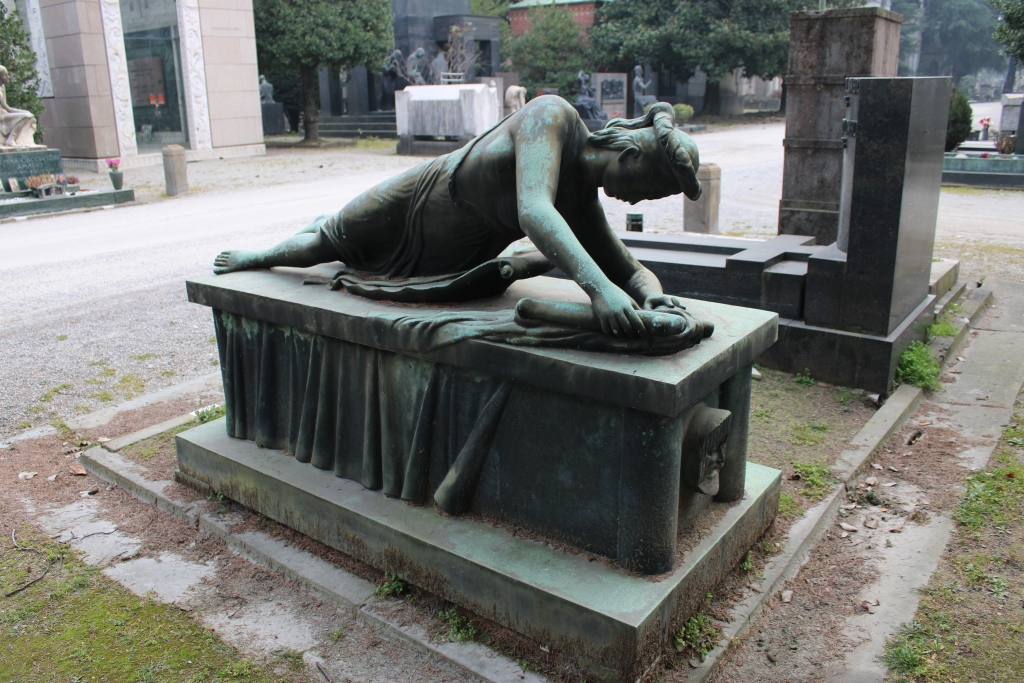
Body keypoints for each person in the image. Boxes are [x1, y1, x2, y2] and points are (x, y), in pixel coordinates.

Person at [214, 98, 701, 339]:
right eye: (650, 190)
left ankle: (322, 232)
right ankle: (257, 255)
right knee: (328, 241)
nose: (638, 203)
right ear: (633, 152)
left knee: (349, 252)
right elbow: (534, 209)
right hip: (420, 199)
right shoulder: (552, 118)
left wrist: (650, 291)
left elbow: (627, 267)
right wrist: (599, 290)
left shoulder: (581, 198)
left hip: (457, 253)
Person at [0, 66, 39, 148]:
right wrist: (24, 113)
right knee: (26, 116)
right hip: (2, 116)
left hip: (4, 113)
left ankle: (22, 140)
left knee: (29, 116)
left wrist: (25, 112)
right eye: (6, 75)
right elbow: (7, 108)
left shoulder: (2, 87)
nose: (8, 77)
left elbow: (7, 108)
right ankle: (11, 139)